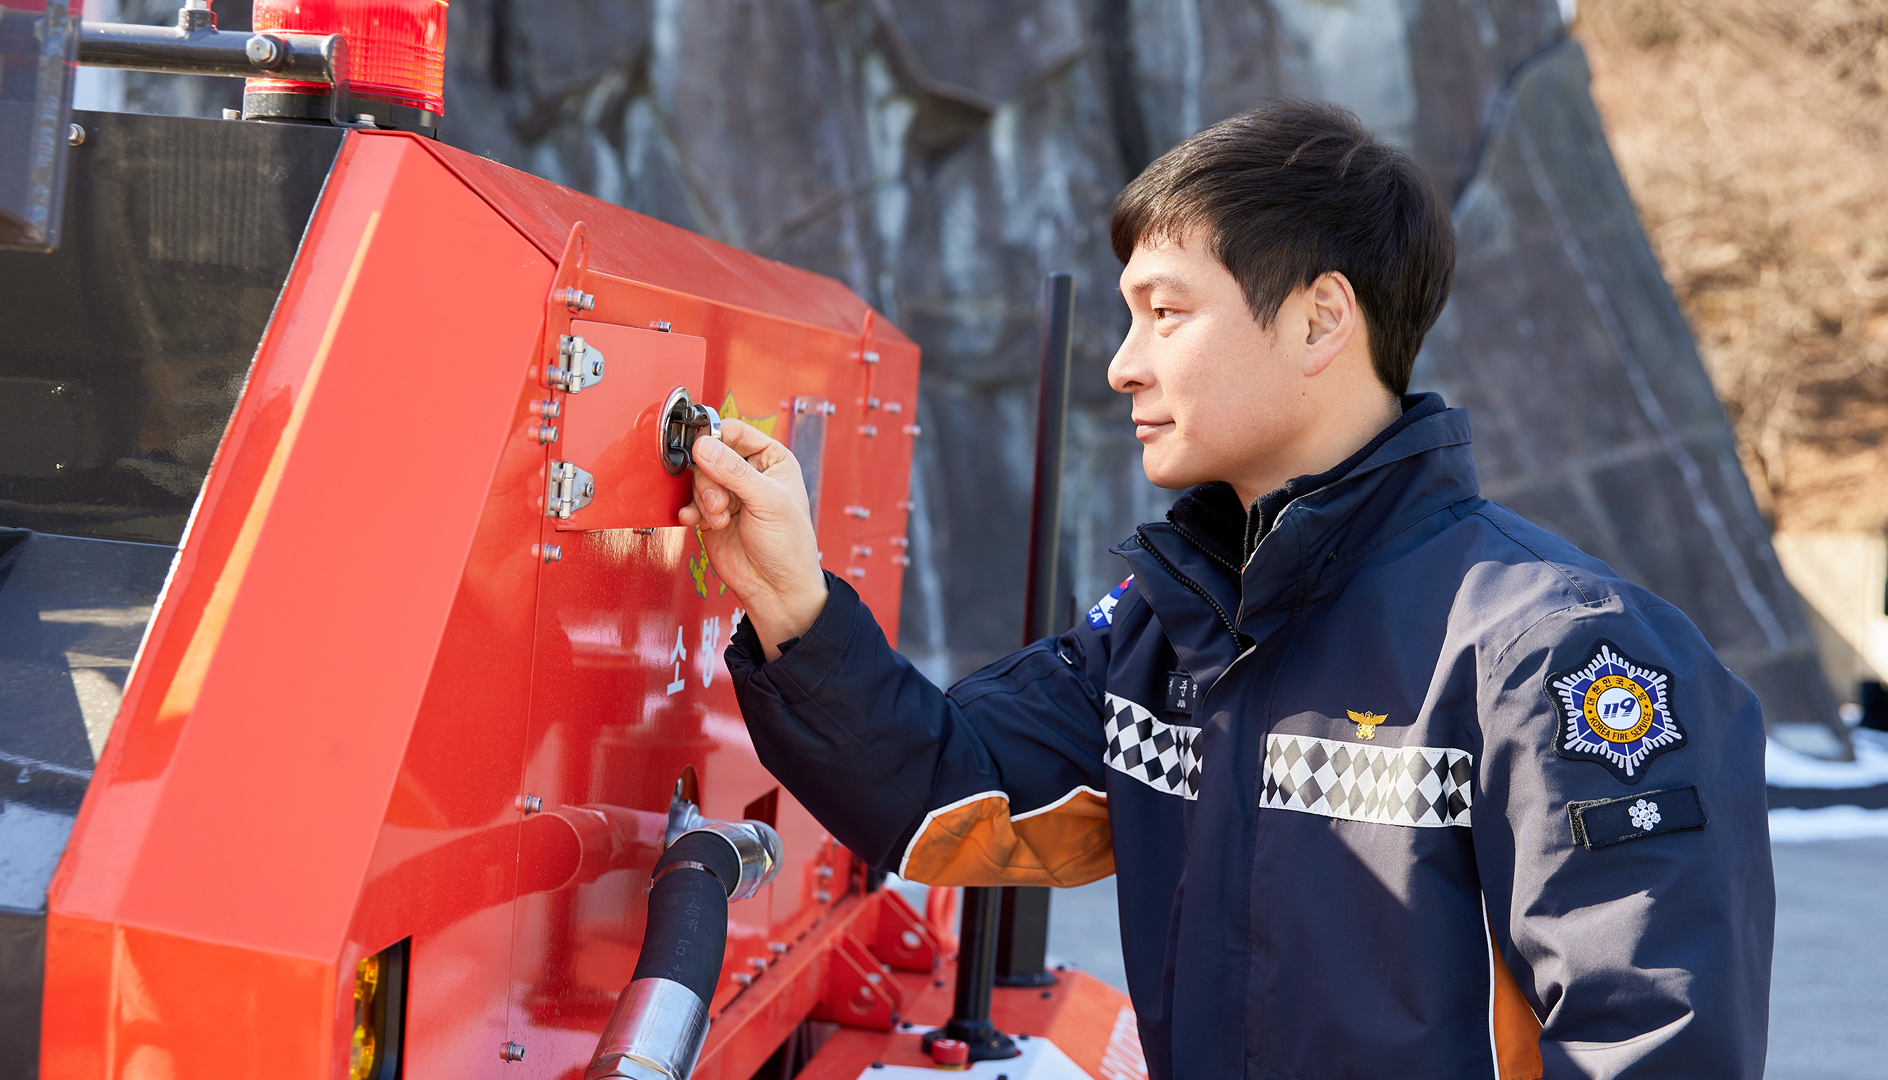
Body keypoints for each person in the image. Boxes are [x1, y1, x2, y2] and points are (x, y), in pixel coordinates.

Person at [678, 98, 1774, 1079]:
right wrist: (790, 598)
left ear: (1319, 320)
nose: (1122, 365)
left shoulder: (1559, 650)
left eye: (1165, 313)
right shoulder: (1174, 625)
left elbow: (1654, 1043)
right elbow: (953, 794)